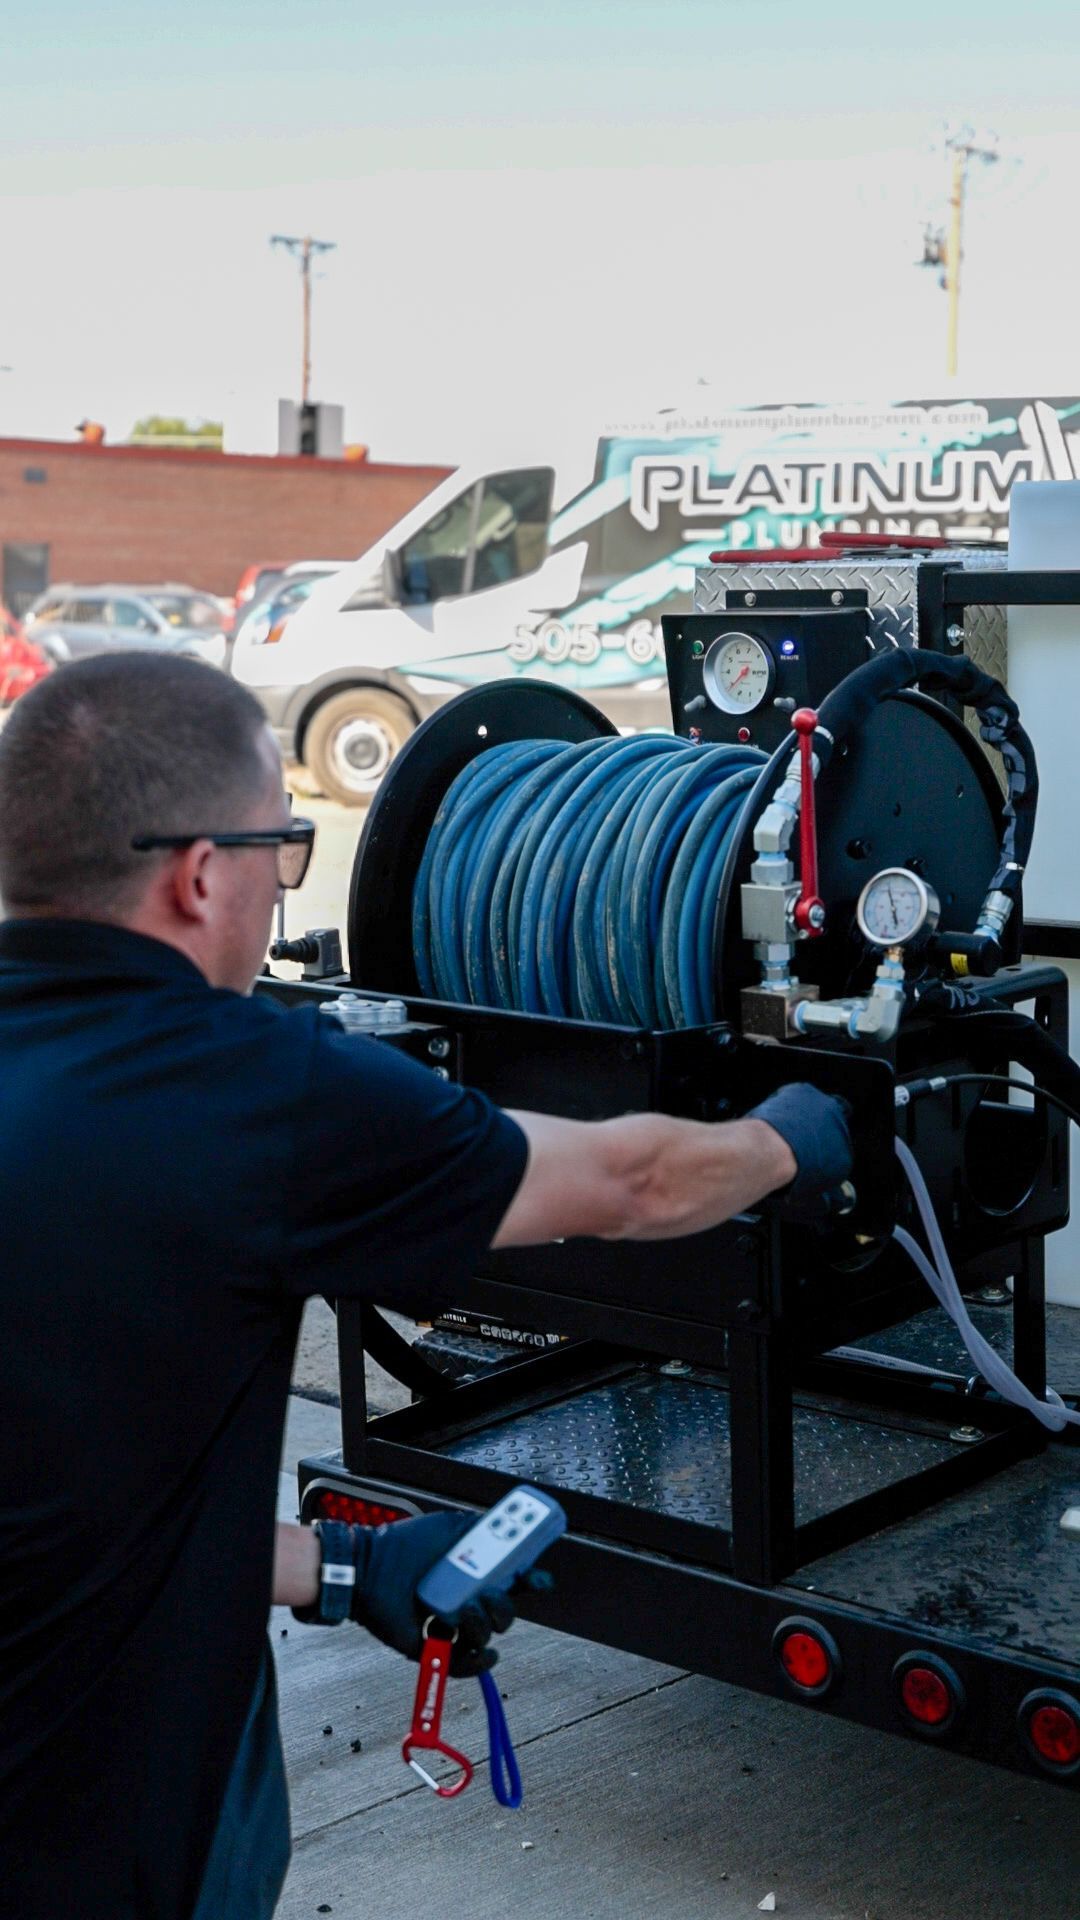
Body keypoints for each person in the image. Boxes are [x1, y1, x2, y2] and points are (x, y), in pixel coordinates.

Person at [0, 654, 851, 1918]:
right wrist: (798, 1134)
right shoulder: (255, 1096)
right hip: (95, 1851)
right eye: (279, 853)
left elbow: (77, 1510)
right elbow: (632, 1184)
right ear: (198, 874)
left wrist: (341, 1571)